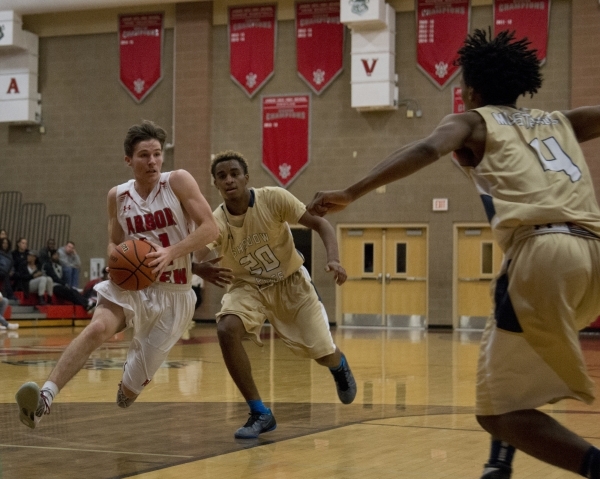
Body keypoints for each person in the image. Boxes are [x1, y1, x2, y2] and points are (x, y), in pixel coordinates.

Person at [307, 29, 600, 479]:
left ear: (472, 88)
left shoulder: (474, 122)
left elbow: (427, 147)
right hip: (593, 254)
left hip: (544, 253)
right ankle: (498, 463)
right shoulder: (559, 121)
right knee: (507, 371)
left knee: (496, 411)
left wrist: (352, 191)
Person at [15, 120, 219, 429]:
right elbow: (114, 239)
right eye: (143, 155)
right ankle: (44, 398)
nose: (152, 161)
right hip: (131, 286)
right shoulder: (118, 196)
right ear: (128, 160)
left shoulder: (178, 181)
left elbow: (209, 228)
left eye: (157, 154)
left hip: (173, 295)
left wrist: (171, 253)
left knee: (129, 392)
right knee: (97, 329)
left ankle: (130, 383)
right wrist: (113, 253)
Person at [192, 150, 356, 440]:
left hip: (291, 283)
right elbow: (196, 252)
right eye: (221, 176)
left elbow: (321, 224)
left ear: (246, 177)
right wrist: (197, 268)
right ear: (216, 184)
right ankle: (260, 412)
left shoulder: (273, 198)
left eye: (234, 173)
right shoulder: (216, 221)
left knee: (322, 354)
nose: (229, 180)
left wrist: (334, 259)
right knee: (226, 329)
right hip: (248, 287)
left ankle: (338, 365)